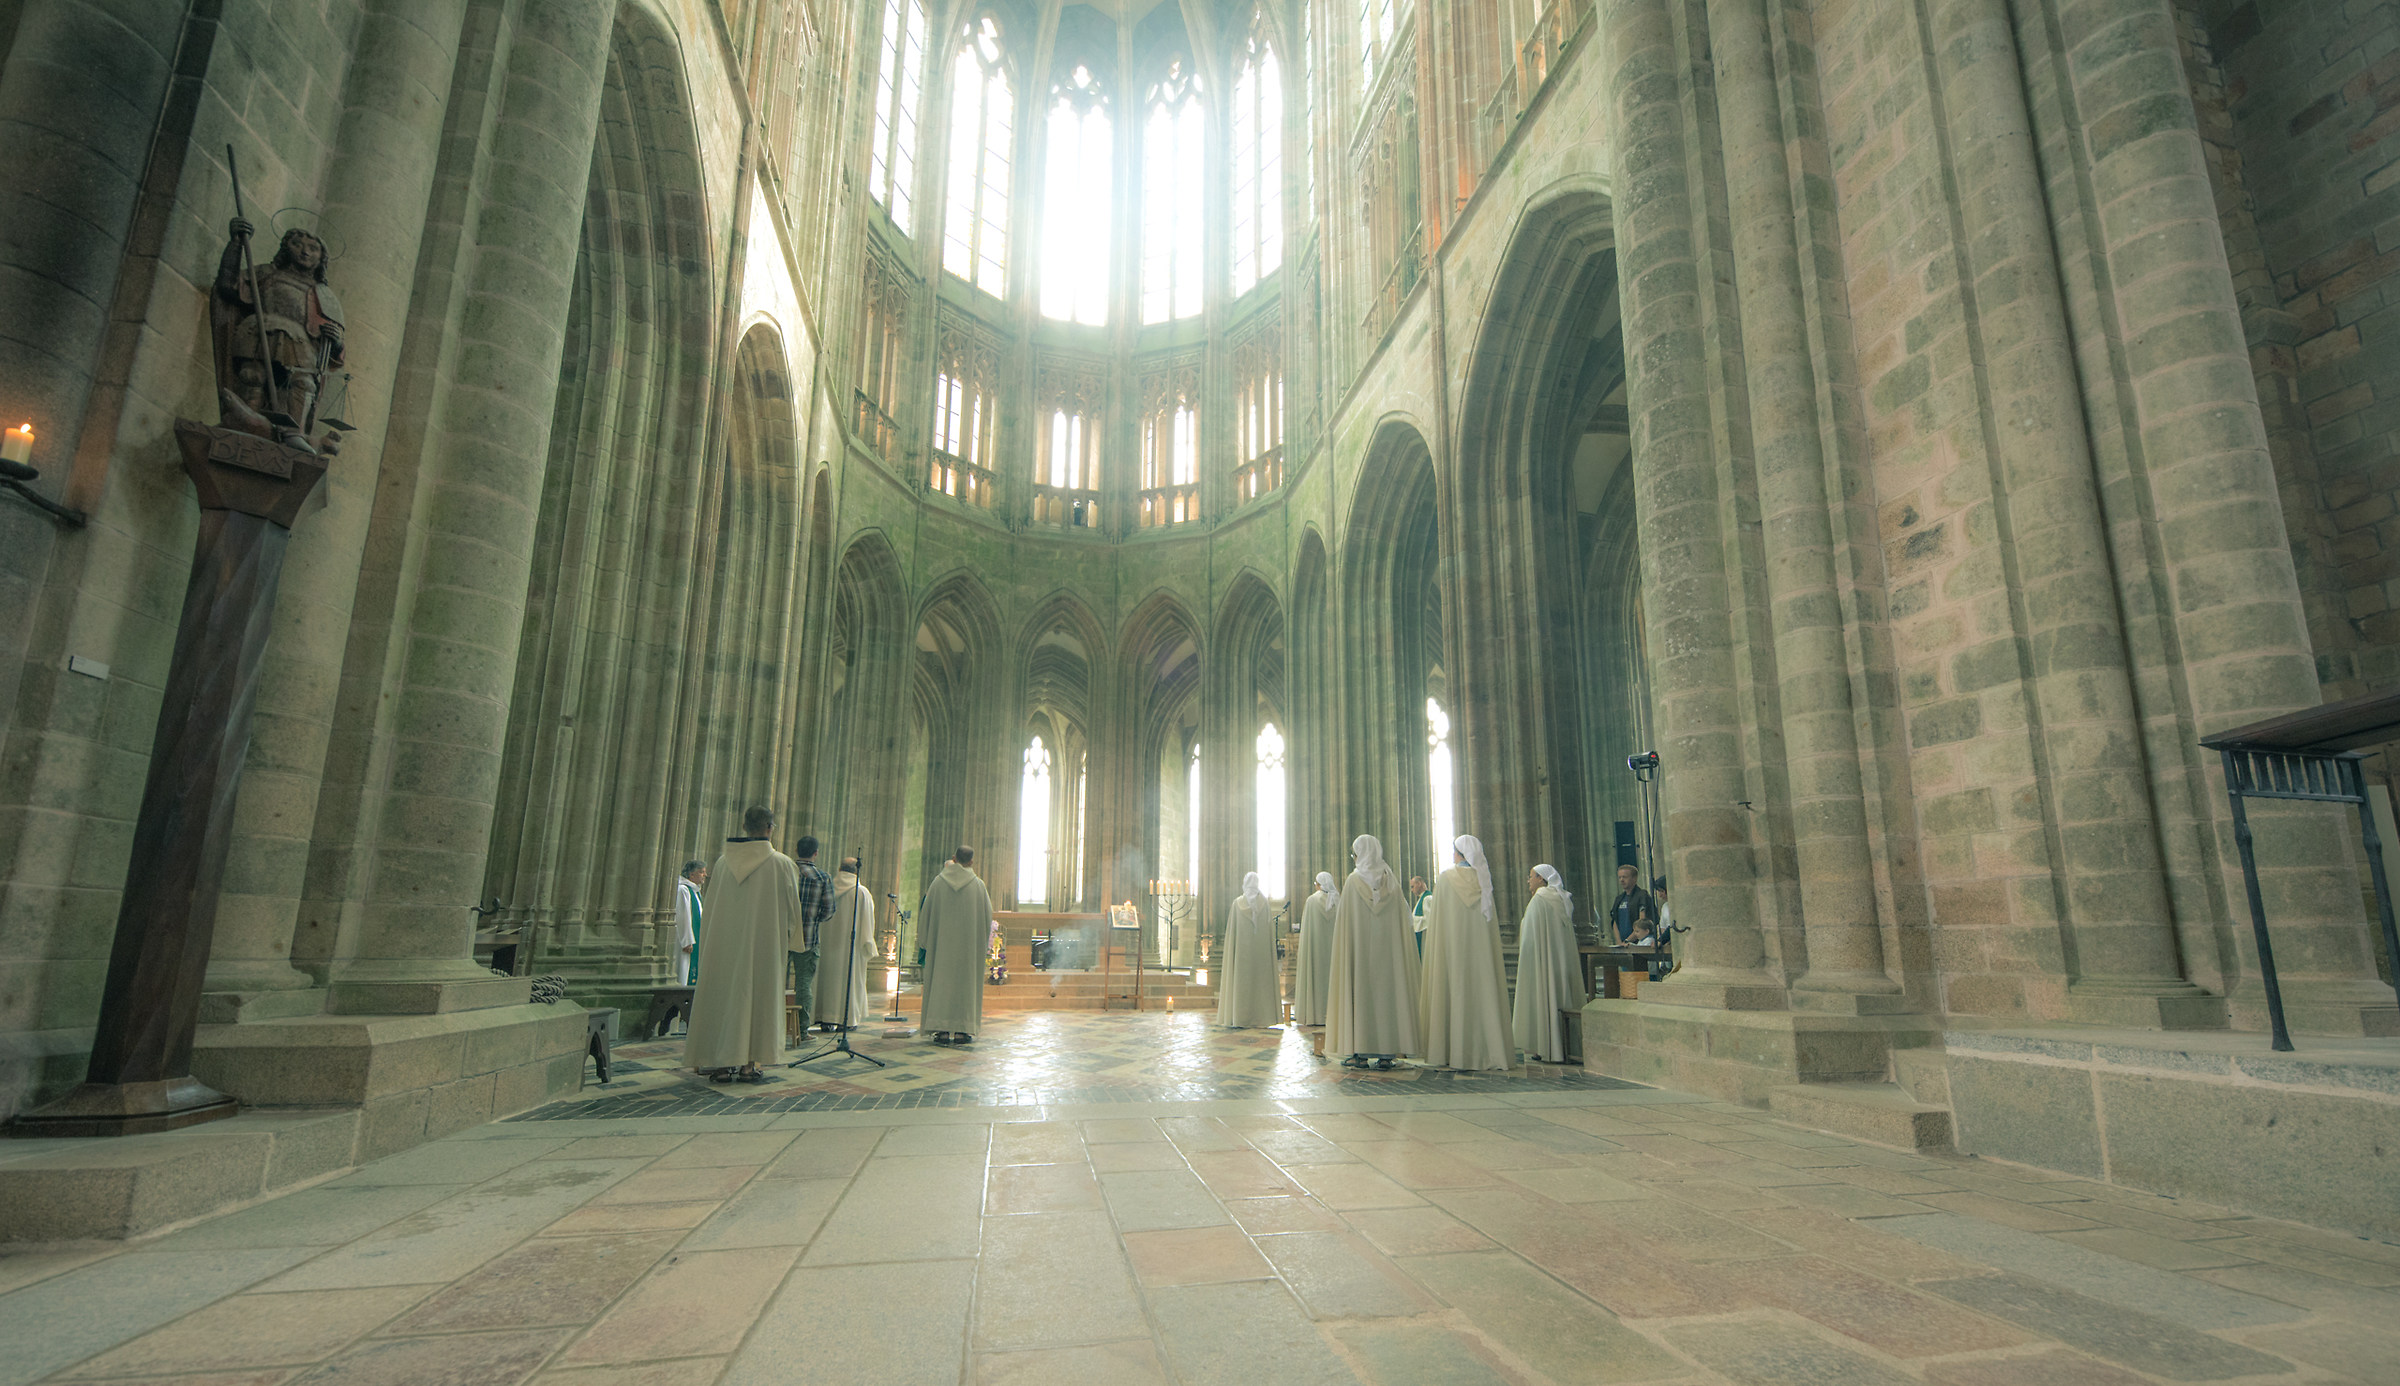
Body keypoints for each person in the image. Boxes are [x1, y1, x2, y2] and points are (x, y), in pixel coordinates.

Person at [685, 807, 800, 1083]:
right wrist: (794, 940)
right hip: (764, 946)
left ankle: (722, 1065)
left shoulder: (723, 863)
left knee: (724, 998)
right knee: (758, 1000)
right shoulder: (782, 864)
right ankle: (749, 1066)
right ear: (770, 828)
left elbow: (710, 909)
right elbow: (794, 911)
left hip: (724, 947)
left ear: (745, 827)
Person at [1417, 835, 1514, 1071]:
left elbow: (1438, 923)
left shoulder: (1446, 879)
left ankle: (1451, 1051)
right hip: (1481, 958)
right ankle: (1488, 1050)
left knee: (1453, 990)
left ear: (1458, 853)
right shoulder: (1484, 882)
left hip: (1452, 954)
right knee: (1483, 992)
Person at [1325, 834, 1421, 1070]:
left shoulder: (1353, 882)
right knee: (1387, 995)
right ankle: (1386, 1053)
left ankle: (1358, 1053)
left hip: (1360, 957)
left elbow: (1345, 926)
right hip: (1388, 958)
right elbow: (1403, 921)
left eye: (1354, 853)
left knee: (1360, 994)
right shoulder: (1392, 883)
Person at [917, 846, 995, 1044]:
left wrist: (925, 942)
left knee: (940, 983)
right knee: (965, 985)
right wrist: (981, 944)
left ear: (954, 858)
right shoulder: (978, 886)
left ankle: (941, 1029)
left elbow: (925, 914)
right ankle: (963, 1030)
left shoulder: (937, 883)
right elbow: (987, 919)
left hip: (941, 950)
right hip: (968, 951)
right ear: (971, 861)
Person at [1513, 865, 1586, 1063]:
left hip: (1543, 962)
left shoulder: (1540, 899)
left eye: (1531, 877)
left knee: (1546, 997)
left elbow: (1529, 936)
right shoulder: (1562, 899)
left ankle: (1547, 1047)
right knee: (1561, 997)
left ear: (1541, 878)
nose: (1528, 881)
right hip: (1560, 962)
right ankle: (1566, 1046)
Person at [814, 856, 881, 1031]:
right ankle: (847, 1020)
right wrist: (868, 947)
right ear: (857, 871)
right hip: (851, 950)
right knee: (848, 982)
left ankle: (825, 1018)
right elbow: (867, 926)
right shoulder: (861, 892)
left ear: (839, 869)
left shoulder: (827, 889)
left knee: (826, 982)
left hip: (826, 948)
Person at [787, 835, 837, 1036]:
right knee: (803, 984)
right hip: (808, 938)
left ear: (796, 850)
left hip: (781, 936)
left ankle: (772, 1026)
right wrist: (813, 919)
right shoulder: (822, 877)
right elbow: (829, 910)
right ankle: (801, 1030)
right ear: (816, 853)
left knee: (774, 981)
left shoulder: (786, 872)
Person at [1217, 872, 1282, 1027]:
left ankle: (1240, 1016)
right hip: (1262, 956)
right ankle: (1263, 1017)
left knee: (1241, 982)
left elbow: (1232, 935)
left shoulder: (1237, 904)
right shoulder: (1265, 904)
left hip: (1241, 955)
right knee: (1261, 983)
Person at [1292, 871, 1338, 1025]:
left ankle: (1315, 1014)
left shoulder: (1312, 901)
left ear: (1319, 884)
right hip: (1334, 952)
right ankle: (1335, 1015)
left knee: (1316, 979)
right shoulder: (1338, 901)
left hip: (1316, 952)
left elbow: (1307, 931)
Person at [671, 859, 706, 985]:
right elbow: (683, 916)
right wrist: (687, 941)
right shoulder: (683, 890)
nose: (705, 875)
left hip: (694, 939)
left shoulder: (695, 892)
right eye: (701, 872)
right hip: (686, 941)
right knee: (684, 969)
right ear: (692, 874)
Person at [1609, 864, 1656, 945]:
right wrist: (1620, 942)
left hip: (1640, 942)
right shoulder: (1619, 898)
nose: (1621, 880)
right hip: (1623, 943)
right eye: (1619, 877)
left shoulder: (1642, 895)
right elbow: (1614, 921)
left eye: (1625, 877)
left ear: (1634, 878)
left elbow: (1642, 921)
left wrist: (1628, 940)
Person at [1408, 874, 1431, 957]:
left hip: (1425, 937)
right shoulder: (1422, 898)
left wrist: (1412, 920)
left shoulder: (1427, 898)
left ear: (1419, 884)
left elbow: (1429, 921)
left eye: (1412, 887)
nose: (1412, 890)